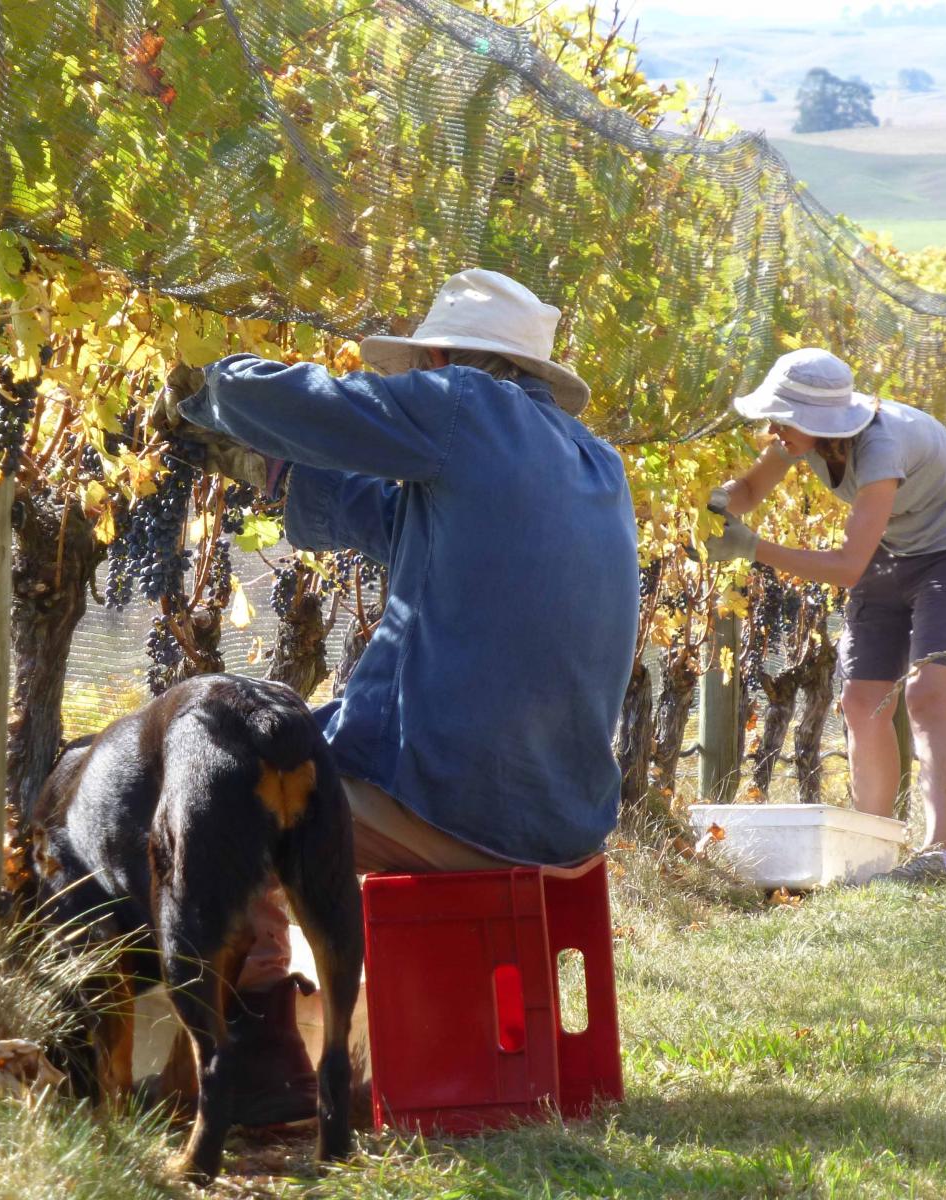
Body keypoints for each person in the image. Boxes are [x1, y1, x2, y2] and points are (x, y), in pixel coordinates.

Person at [160, 268, 640, 1122]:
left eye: (422, 362)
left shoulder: (463, 405)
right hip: (568, 823)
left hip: (461, 810)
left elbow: (311, 405)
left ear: (448, 356)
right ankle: (337, 1046)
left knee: (228, 783)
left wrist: (214, 385)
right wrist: (269, 472)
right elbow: (383, 517)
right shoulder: (589, 461)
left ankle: (269, 1062)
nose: (415, 376)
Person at [705, 347, 946, 884]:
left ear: (817, 421)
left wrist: (753, 548)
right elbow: (750, 490)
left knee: (927, 692)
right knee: (862, 696)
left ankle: (940, 856)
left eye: (782, 417)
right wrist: (719, 499)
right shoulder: (799, 437)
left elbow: (846, 567)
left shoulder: (882, 447)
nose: (773, 428)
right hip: (892, 550)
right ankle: (874, 846)